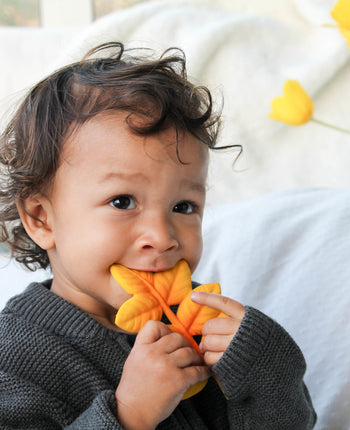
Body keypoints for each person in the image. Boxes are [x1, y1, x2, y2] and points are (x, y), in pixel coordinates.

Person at [0, 42, 316, 429]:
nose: (161, 236)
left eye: (183, 207)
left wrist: (267, 367)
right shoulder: (14, 358)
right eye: (122, 201)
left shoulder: (201, 323)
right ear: (40, 219)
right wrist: (130, 415)